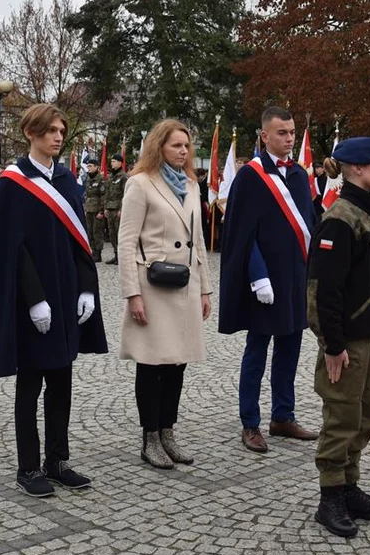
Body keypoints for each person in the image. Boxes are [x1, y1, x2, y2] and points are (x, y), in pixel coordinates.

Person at [0, 103, 107, 497]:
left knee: (62, 381)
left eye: (61, 130)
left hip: (68, 293)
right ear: (31, 133)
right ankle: (28, 467)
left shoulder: (69, 180)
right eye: (51, 130)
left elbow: (82, 241)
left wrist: (88, 286)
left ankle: (57, 460)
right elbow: (11, 249)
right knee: (31, 383)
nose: (58, 136)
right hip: (33, 301)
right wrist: (35, 299)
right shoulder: (13, 182)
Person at [306, 136, 370, 538]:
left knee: (365, 416)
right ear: (357, 169)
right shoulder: (339, 219)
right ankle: (330, 498)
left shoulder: (369, 211)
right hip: (347, 342)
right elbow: (323, 291)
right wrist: (333, 345)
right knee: (341, 417)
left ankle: (349, 486)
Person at [220, 106, 319, 453]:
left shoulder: (299, 174)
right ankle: (250, 423)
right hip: (263, 283)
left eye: (292, 132)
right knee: (257, 351)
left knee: (290, 348)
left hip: (295, 278)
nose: (289, 139)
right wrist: (258, 277)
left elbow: (308, 224)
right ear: (264, 135)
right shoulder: (250, 176)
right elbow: (242, 234)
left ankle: (283, 416)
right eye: (281, 133)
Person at [117, 120, 212, 469]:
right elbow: (126, 242)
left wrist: (205, 288)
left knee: (177, 363)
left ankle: (169, 432)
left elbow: (198, 241)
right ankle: (150, 437)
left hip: (185, 285)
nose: (184, 152)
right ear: (159, 147)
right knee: (151, 362)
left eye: (186, 146)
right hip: (152, 285)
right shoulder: (140, 184)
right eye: (176, 146)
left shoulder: (191, 184)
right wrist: (132, 294)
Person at [104, 153, 127, 264]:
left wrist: (122, 209)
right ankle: (116, 254)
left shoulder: (124, 177)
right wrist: (105, 208)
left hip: (118, 208)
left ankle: (122, 256)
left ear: (120, 163)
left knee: (119, 233)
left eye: (114, 161)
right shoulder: (111, 177)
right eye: (111, 161)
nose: (112, 163)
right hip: (110, 208)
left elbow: (125, 194)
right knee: (112, 233)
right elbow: (107, 194)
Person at [82, 157, 106, 262]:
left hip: (97, 209)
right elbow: (87, 193)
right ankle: (92, 251)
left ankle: (98, 253)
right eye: (87, 166)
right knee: (90, 231)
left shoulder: (101, 179)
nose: (88, 168)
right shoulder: (88, 178)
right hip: (89, 208)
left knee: (97, 232)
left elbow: (103, 196)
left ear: (96, 167)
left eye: (90, 166)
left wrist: (101, 211)